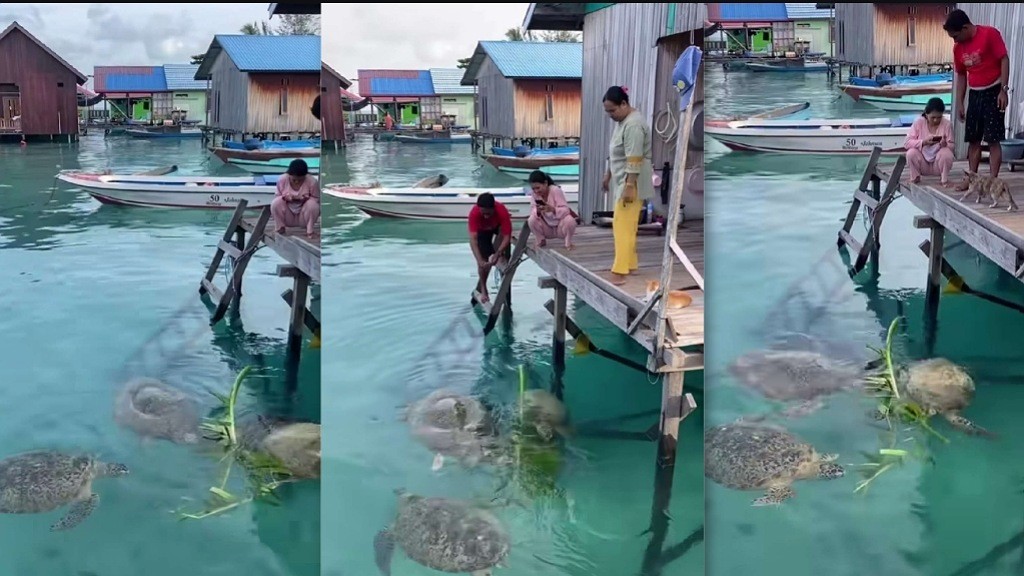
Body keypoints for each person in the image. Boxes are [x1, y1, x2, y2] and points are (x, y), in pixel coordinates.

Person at [943, 9, 1010, 190]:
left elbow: (1004, 59)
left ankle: (993, 181)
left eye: (956, 36)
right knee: (973, 139)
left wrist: (1003, 90)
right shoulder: (958, 48)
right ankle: (971, 179)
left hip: (994, 90)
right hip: (975, 93)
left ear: (965, 28)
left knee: (993, 138)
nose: (955, 40)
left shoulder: (989, 34)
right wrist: (960, 102)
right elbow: (961, 75)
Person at [602, 85, 655, 286]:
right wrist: (607, 174)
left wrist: (630, 185)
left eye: (612, 110)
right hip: (622, 178)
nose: (610, 115)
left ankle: (620, 270)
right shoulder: (623, 121)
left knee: (622, 224)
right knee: (627, 223)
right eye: (607, 111)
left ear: (624, 104)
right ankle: (630, 263)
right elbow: (616, 150)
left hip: (631, 179)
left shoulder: (633, 124)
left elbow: (634, 156)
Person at [468, 192, 512, 303]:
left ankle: (498, 254)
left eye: (488, 213)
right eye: (483, 213)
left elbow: (507, 237)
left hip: (497, 227)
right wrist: (479, 260)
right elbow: (473, 240)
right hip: (482, 230)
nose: (486, 216)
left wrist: (498, 252)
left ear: (493, 208)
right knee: (482, 261)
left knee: (502, 234)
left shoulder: (501, 210)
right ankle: (483, 288)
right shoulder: (475, 213)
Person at [904, 97, 956, 186]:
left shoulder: (947, 124)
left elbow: (952, 146)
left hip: (938, 164)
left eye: (939, 117)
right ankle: (915, 177)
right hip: (922, 163)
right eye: (933, 117)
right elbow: (906, 143)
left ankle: (944, 179)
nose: (936, 120)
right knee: (911, 153)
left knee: (946, 153)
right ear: (926, 114)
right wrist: (923, 142)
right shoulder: (919, 122)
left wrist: (945, 145)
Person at [527, 170, 576, 250]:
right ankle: (541, 239)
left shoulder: (555, 190)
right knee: (531, 220)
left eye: (538, 188)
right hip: (547, 227)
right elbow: (533, 211)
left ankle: (568, 241)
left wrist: (553, 209)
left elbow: (566, 210)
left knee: (570, 220)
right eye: (533, 189)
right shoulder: (535, 195)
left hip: (560, 226)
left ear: (545, 183)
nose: (536, 191)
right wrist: (538, 211)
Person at [271, 159, 321, 239]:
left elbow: (316, 198)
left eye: (300, 180)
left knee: (313, 205)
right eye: (294, 180)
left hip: (303, 215)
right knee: (276, 203)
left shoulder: (312, 181)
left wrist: (305, 199)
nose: (297, 182)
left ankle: (310, 230)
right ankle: (280, 227)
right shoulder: (282, 180)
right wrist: (285, 198)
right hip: (287, 214)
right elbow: (277, 196)